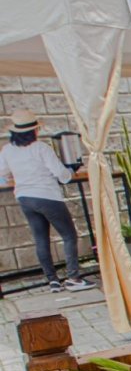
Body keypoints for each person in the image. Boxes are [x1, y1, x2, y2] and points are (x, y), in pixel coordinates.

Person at [0, 109, 95, 292]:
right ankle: (73, 278)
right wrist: (71, 170)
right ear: (34, 131)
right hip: (47, 196)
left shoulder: (7, 150)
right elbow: (62, 175)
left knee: (41, 239)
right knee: (69, 235)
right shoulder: (41, 148)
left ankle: (52, 281)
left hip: (24, 197)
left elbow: (1, 173)